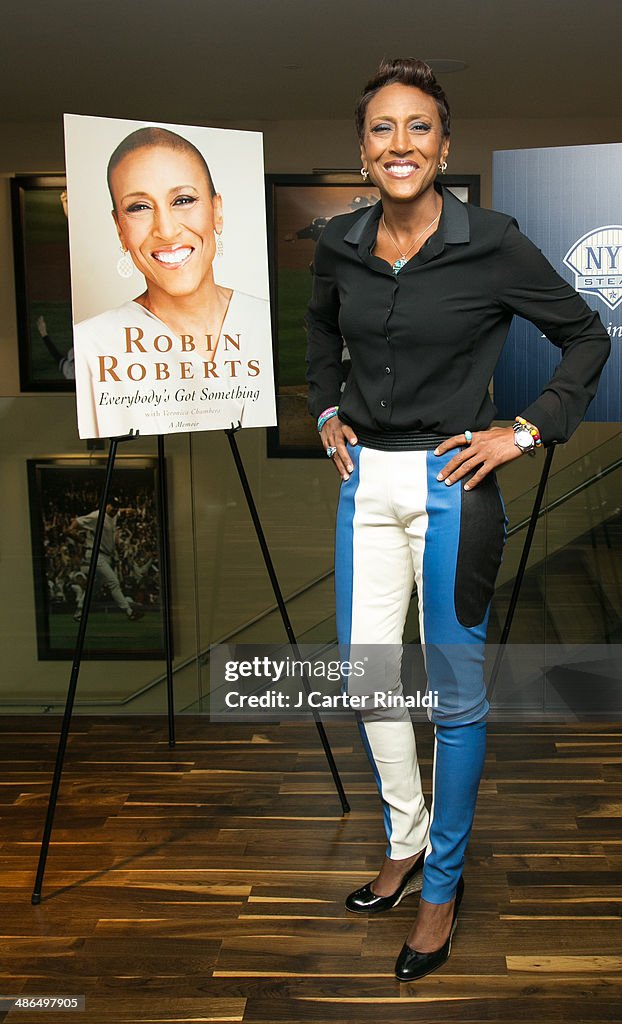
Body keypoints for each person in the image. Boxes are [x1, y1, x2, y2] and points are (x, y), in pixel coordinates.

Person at [305, 57, 610, 983]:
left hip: (453, 483)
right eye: (383, 129)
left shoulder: (495, 242)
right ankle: (404, 839)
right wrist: (326, 411)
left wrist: (524, 430)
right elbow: (320, 335)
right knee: (369, 680)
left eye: (419, 128)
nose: (400, 144)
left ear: (445, 147)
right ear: (363, 151)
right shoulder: (339, 244)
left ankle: (442, 885)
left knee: (454, 696)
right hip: (366, 486)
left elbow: (586, 335)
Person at [73, 126, 270, 438]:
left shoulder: (264, 322)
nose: (165, 230)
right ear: (119, 228)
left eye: (182, 200)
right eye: (139, 207)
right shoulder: (91, 343)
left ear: (216, 211)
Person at [70, 499, 144, 622]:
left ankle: (79, 612)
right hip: (95, 554)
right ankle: (129, 611)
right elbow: (75, 523)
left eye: (116, 507)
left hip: (105, 556)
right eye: (113, 507)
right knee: (113, 581)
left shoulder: (114, 515)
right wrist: (78, 538)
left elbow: (122, 511)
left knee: (94, 587)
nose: (115, 510)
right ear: (106, 505)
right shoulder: (96, 516)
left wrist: (129, 510)